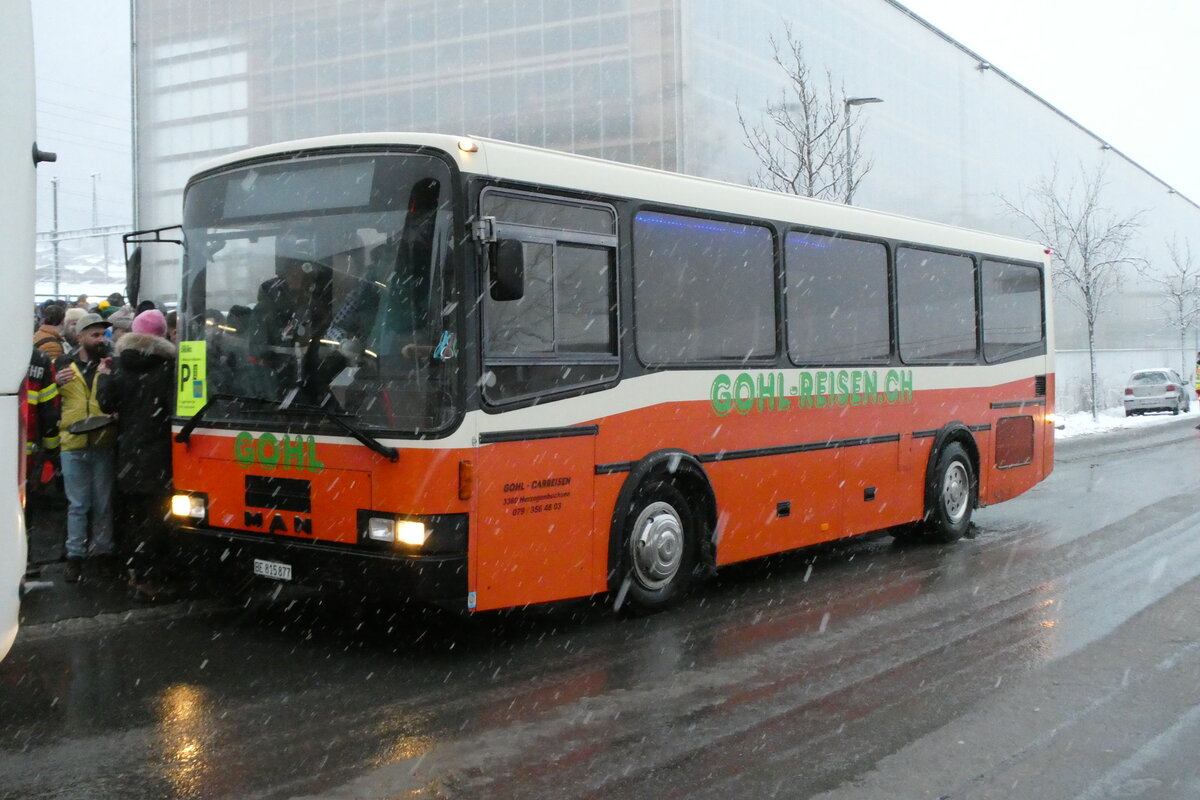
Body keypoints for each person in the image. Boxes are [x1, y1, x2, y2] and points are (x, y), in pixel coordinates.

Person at [97, 309, 177, 601]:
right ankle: (152, 578)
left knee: (133, 517)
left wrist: (105, 378)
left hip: (129, 454)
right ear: (162, 335)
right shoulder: (169, 368)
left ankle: (136, 574)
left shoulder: (119, 366)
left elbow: (106, 403)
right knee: (157, 520)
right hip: (160, 456)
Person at [54, 313, 117, 583]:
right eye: (94, 334)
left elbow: (117, 398)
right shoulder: (62, 364)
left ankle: (102, 554)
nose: (100, 339)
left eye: (103, 334)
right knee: (78, 505)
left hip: (103, 440)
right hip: (73, 441)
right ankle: (75, 557)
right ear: (79, 337)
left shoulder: (111, 363)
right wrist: (55, 384)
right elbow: (48, 401)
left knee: (103, 504)